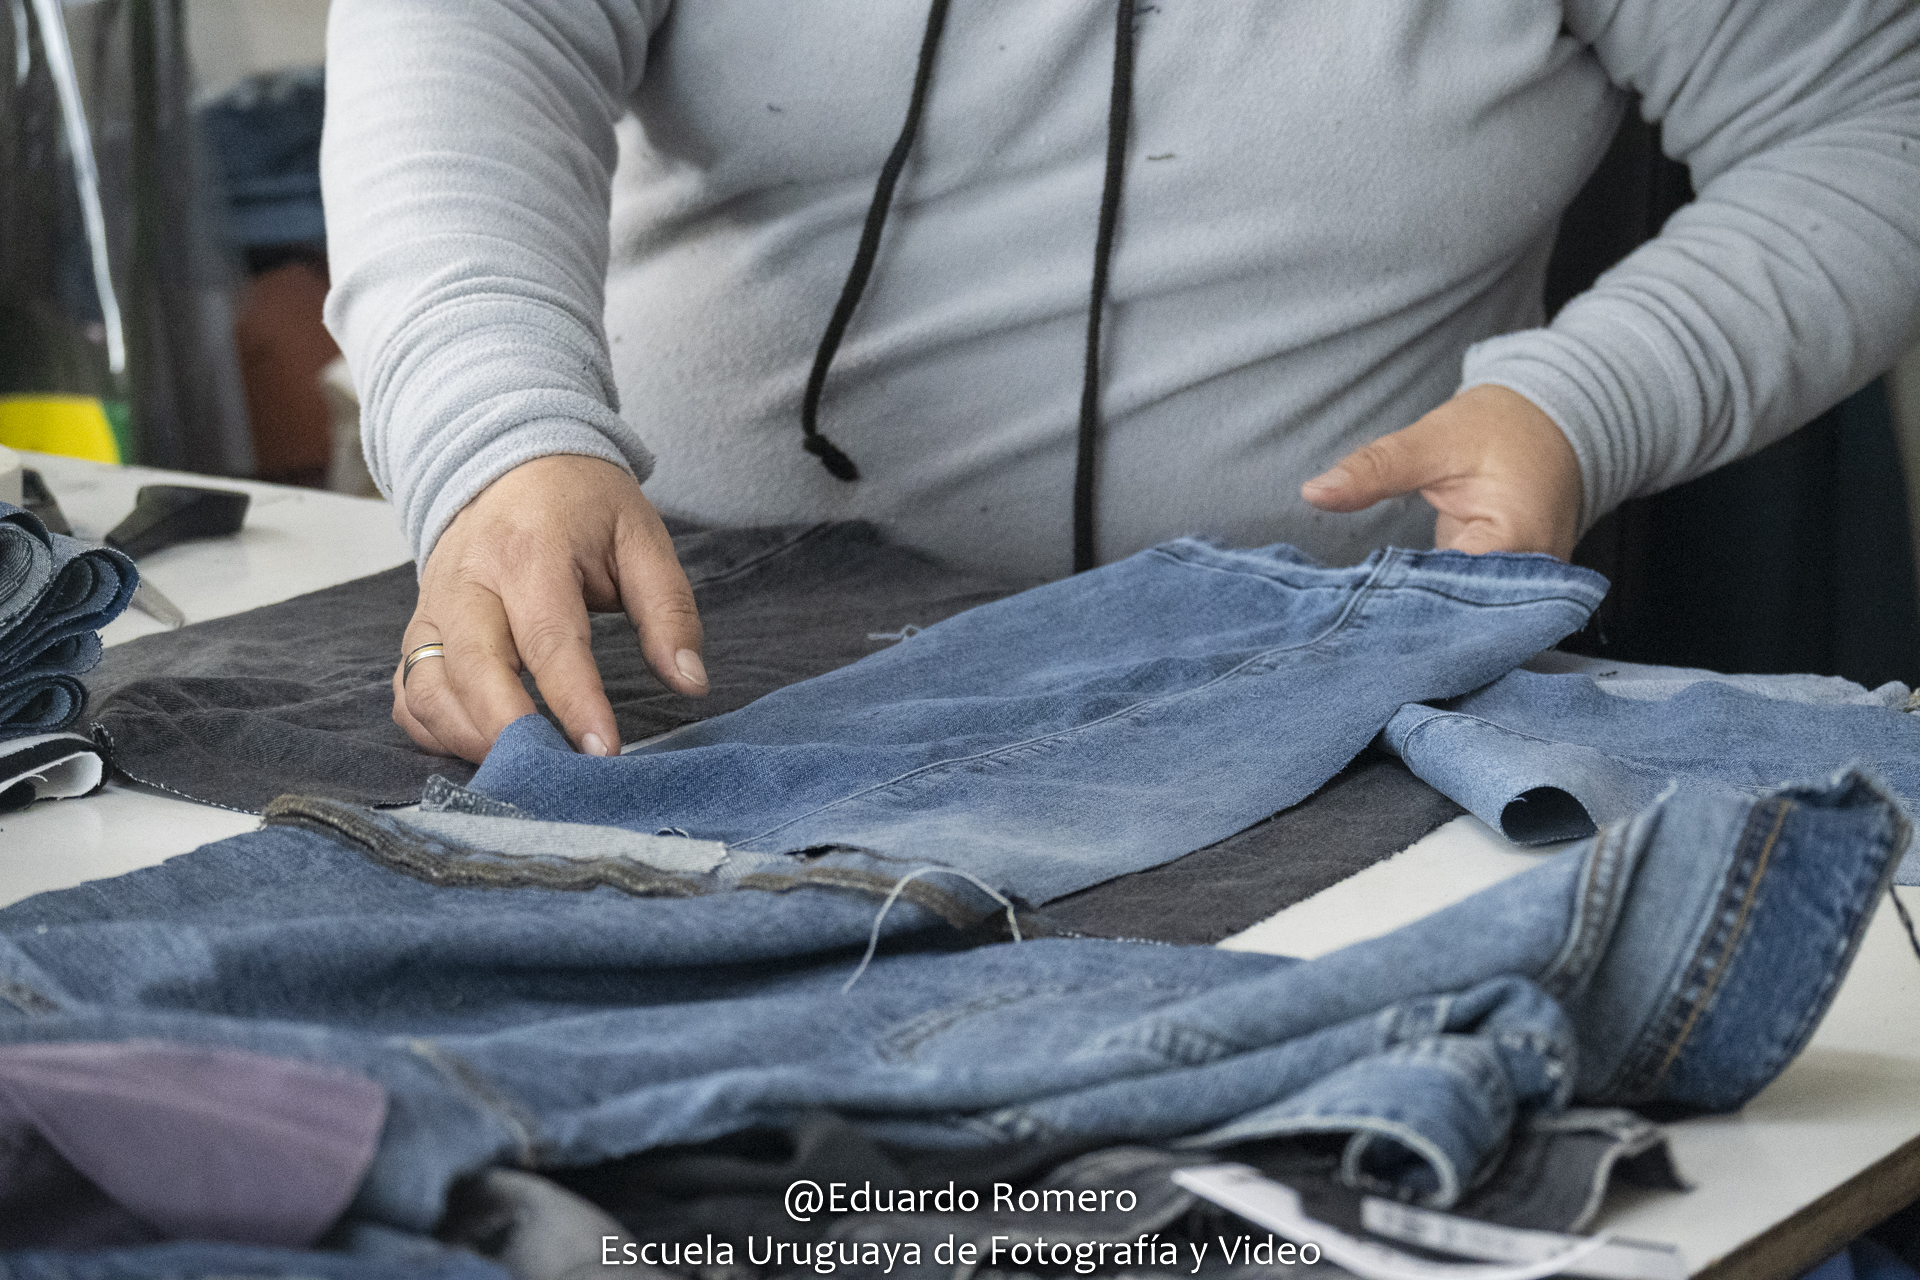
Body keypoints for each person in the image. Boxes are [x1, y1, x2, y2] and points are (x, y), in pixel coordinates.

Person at [321, 0, 1920, 765]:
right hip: (684, 690)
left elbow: (1873, 117)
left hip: (1320, 725)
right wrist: (498, 436)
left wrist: (1592, 399)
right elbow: (460, 41)